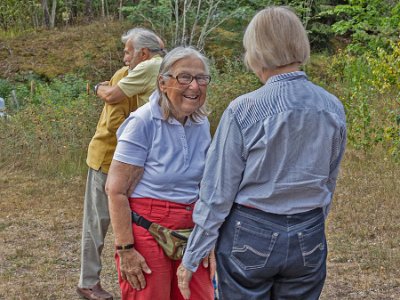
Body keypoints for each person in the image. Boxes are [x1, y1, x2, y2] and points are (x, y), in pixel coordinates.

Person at [177, 6, 347, 300]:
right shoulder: (331, 107)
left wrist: (194, 254)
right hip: (309, 230)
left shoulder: (244, 109)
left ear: (256, 53)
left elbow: (218, 191)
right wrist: (311, 225)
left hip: (251, 231)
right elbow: (328, 180)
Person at [105, 46, 215, 300]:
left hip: (192, 226)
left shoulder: (201, 122)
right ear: (163, 82)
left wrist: (208, 236)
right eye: (184, 77)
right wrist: (126, 250)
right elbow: (116, 190)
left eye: (201, 78)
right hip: (148, 227)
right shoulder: (142, 122)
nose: (194, 86)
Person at [77, 28, 165, 300]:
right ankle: (88, 282)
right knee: (98, 222)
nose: (124, 57)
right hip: (109, 158)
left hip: (133, 161)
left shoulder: (149, 71)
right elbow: (111, 124)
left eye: (127, 52)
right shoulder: (124, 76)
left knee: (131, 221)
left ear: (143, 53)